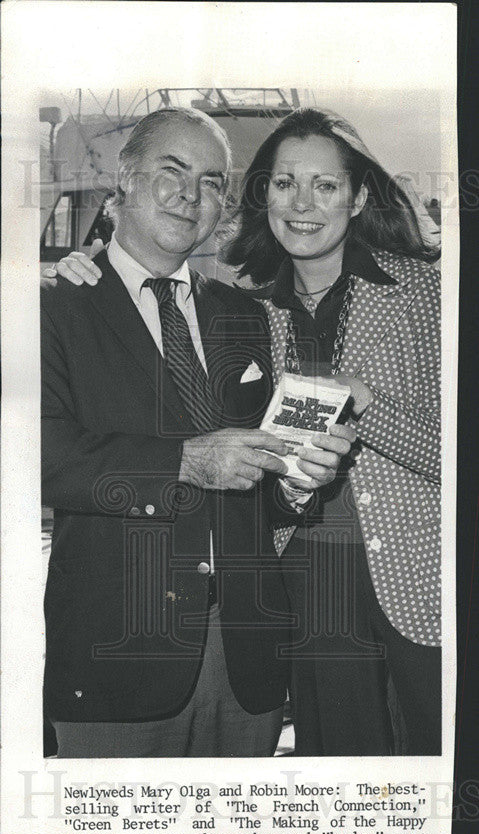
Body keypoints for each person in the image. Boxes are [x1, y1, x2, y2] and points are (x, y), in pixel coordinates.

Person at [41, 107, 354, 758]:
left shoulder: (242, 316)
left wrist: (294, 486)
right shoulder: (50, 306)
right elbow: (37, 456)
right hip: (118, 655)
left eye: (212, 182)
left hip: (246, 656)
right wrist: (181, 462)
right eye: (172, 171)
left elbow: (254, 482)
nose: (190, 195)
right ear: (122, 183)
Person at [224, 107, 441, 756]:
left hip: (422, 579)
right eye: (284, 183)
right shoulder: (245, 311)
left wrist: (366, 403)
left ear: (359, 195)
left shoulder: (428, 296)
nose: (302, 203)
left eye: (324, 185)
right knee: (340, 773)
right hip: (311, 588)